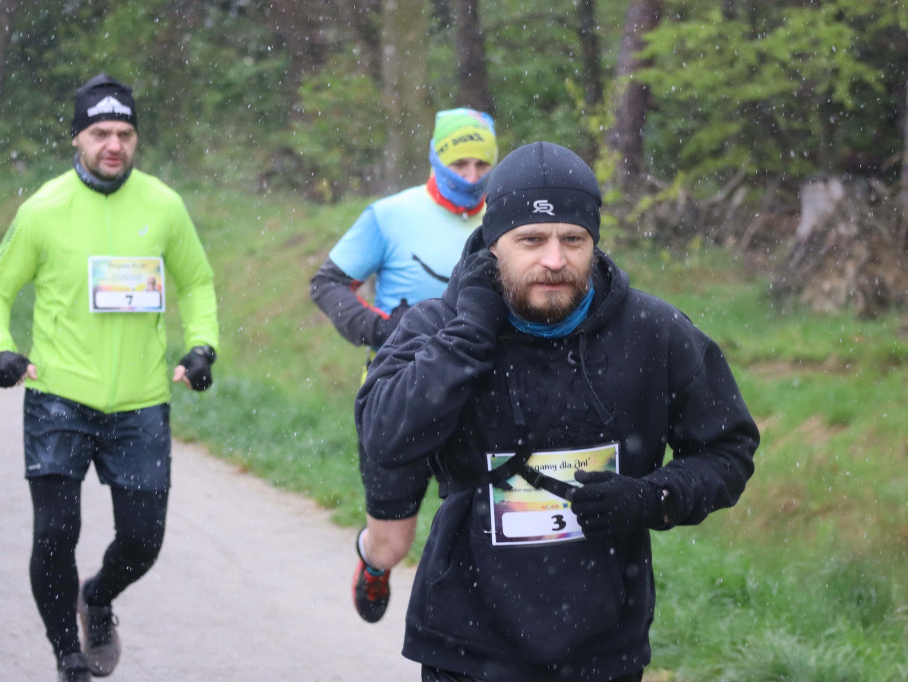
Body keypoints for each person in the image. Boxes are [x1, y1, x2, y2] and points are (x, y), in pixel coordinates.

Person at [355, 141, 759, 681]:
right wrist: (471, 331)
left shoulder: (654, 333)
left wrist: (650, 498)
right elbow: (385, 438)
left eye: (573, 239)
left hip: (602, 644)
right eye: (531, 240)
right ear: (492, 244)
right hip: (468, 641)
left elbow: (727, 450)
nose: (554, 260)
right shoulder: (438, 326)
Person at [0, 74, 219, 682]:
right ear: (78, 138)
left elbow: (197, 283)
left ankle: (99, 596)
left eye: (126, 133)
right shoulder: (44, 210)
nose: (115, 144)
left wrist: (202, 345)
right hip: (59, 395)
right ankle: (68, 656)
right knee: (56, 531)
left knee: (142, 540)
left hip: (139, 404)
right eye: (101, 133)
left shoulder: (162, 206)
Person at [310, 108, 498, 623]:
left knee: (494, 538)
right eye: (460, 161)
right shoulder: (390, 215)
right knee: (394, 544)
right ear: (436, 156)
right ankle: (373, 562)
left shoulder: (508, 218)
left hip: (484, 397)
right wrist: (383, 331)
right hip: (403, 393)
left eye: (484, 163)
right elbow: (328, 283)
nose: (473, 176)